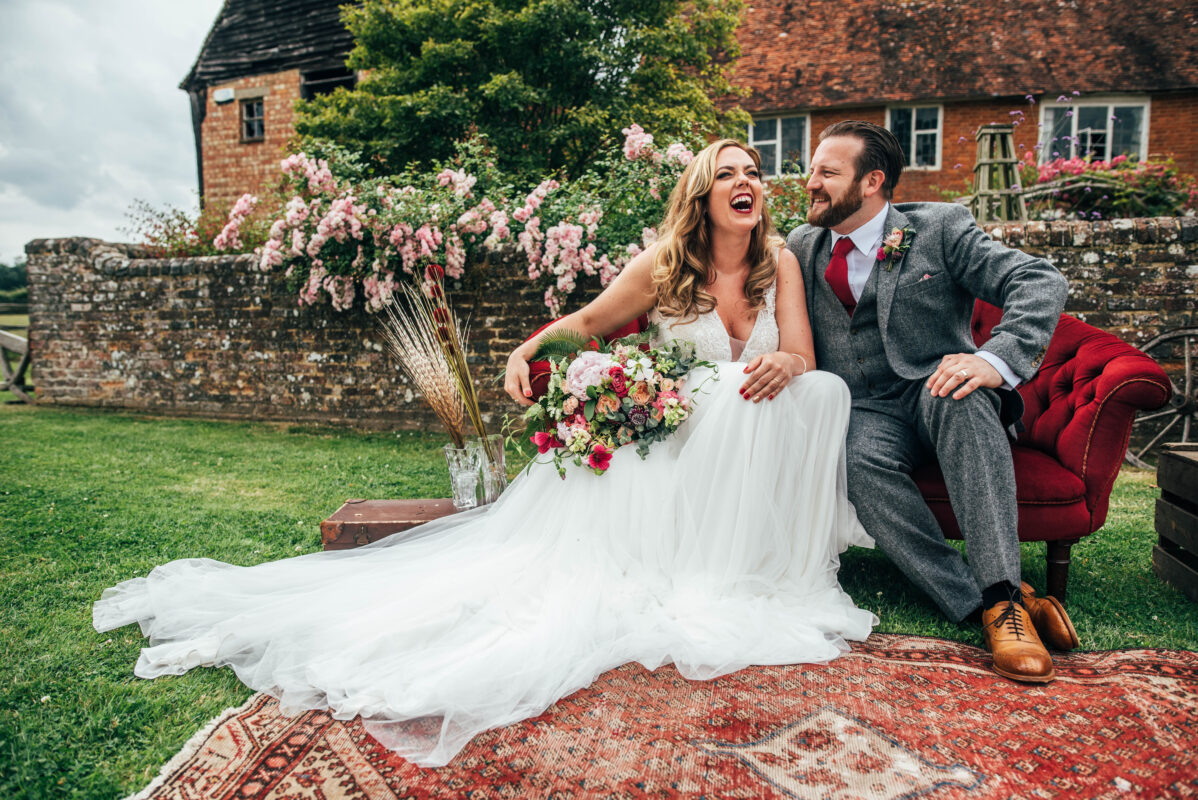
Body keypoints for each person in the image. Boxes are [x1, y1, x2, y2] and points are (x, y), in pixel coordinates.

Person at [94, 139, 876, 768]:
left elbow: (805, 356)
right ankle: (702, 565)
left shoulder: (782, 264)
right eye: (726, 174)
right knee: (722, 390)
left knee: (823, 392)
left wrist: (789, 364)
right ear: (702, 196)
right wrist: (528, 349)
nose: (747, 182)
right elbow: (589, 323)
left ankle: (771, 560)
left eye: (753, 173)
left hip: (748, 448)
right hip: (675, 453)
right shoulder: (664, 267)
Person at [787, 120, 1078, 684]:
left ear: (872, 181)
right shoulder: (803, 245)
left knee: (964, 396)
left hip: (936, 391)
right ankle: (990, 601)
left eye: (827, 172)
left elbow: (1038, 280)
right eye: (812, 170)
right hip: (865, 408)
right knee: (852, 458)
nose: (811, 183)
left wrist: (992, 361)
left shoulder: (940, 228)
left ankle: (1002, 598)